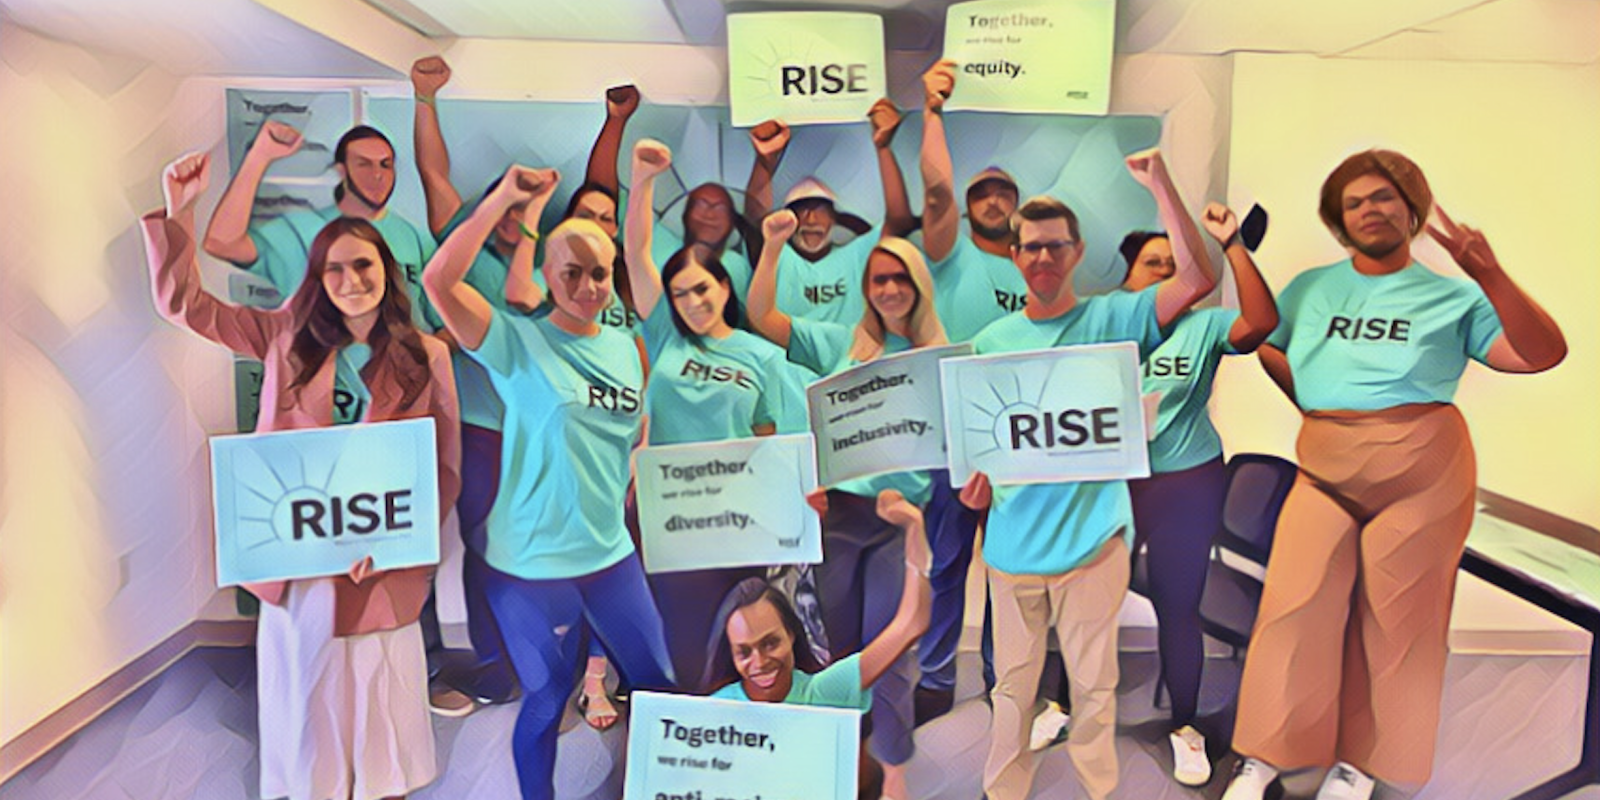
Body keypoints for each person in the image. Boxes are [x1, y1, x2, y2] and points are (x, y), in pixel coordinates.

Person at [1219, 150, 1566, 800]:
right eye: (1354, 202)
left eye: (1383, 197)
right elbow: (1267, 339)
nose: (1370, 209)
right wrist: (1318, 403)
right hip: (1326, 465)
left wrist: (1490, 274)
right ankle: (1267, 757)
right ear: (1338, 220)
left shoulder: (1454, 297)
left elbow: (1540, 354)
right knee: (1292, 608)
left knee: (1400, 622)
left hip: (1422, 468)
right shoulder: (1310, 288)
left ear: (1412, 207)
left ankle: (1363, 765)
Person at [144, 152, 461, 800]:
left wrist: (399, 545)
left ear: (387, 272)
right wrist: (181, 212)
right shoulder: (285, 334)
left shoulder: (425, 355)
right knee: (308, 728)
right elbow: (186, 306)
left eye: (363, 265)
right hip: (300, 569)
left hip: (379, 568)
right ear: (318, 276)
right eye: (334, 268)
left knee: (382, 738)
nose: (350, 279)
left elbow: (444, 467)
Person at [961, 149, 1216, 800]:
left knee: (1096, 692)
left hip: (1094, 545)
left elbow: (1197, 278)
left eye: (1055, 247)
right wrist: (977, 484)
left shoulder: (1115, 321)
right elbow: (984, 448)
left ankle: (1098, 793)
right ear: (1014, 257)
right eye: (1030, 248)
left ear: (1075, 253)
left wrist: (1162, 182)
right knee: (1012, 692)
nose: (1042, 259)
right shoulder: (990, 342)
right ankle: (1002, 793)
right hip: (1013, 549)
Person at [422, 164, 676, 800]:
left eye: (599, 272)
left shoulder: (625, 344)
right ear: (546, 274)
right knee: (548, 694)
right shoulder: (516, 341)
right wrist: (505, 198)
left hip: (607, 553)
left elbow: (629, 431)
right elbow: (438, 281)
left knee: (659, 687)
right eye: (572, 271)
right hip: (531, 563)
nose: (589, 285)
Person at [747, 205, 948, 800]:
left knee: (890, 649)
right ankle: (832, 763)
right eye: (878, 279)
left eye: (899, 278)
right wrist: (772, 245)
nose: (888, 288)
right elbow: (761, 315)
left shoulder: (942, 358)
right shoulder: (841, 342)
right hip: (834, 521)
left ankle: (892, 771)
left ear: (918, 285)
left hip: (897, 523)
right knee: (830, 652)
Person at [622, 138, 803, 691]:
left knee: (734, 644)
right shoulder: (665, 339)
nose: (693, 302)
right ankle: (670, 744)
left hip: (736, 523)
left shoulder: (763, 357)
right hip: (667, 516)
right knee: (671, 640)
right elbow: (635, 252)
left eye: (702, 289)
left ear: (723, 287)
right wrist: (644, 178)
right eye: (679, 294)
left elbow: (780, 443)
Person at [1112, 203, 1279, 786]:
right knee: (1085, 599)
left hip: (1190, 481)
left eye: (1173, 265)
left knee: (1178, 604)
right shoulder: (1103, 323)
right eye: (1151, 264)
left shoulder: (1205, 324)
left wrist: (1234, 246)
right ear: (1127, 275)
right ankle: (1062, 705)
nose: (1163, 274)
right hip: (1116, 483)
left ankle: (1185, 726)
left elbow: (1260, 323)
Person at [910, 57, 1035, 721]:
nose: (993, 201)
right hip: (950, 434)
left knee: (1012, 569)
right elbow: (934, 192)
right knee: (948, 564)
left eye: (1004, 194)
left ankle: (1000, 676)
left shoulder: (1039, 268)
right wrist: (932, 113)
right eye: (983, 192)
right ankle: (935, 676)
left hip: (1018, 439)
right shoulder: (949, 253)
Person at [704, 489, 933, 800]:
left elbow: (911, 623)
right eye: (744, 652)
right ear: (729, 655)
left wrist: (915, 529)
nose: (759, 662)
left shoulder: (826, 691)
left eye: (771, 643)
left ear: (792, 635)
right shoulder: (713, 711)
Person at [203, 121, 437, 329]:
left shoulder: (409, 234)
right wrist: (259, 156)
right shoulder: (304, 230)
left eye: (385, 164)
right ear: (341, 170)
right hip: (326, 370)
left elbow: (436, 315)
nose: (377, 175)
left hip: (403, 372)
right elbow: (221, 243)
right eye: (364, 164)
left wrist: (434, 355)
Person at [740, 100, 916, 328]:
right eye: (801, 211)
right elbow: (756, 219)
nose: (811, 220)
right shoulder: (777, 257)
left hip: (851, 359)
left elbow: (898, 222)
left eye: (820, 210)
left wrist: (884, 148)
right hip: (785, 357)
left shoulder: (856, 256)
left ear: (835, 218)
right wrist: (765, 162)